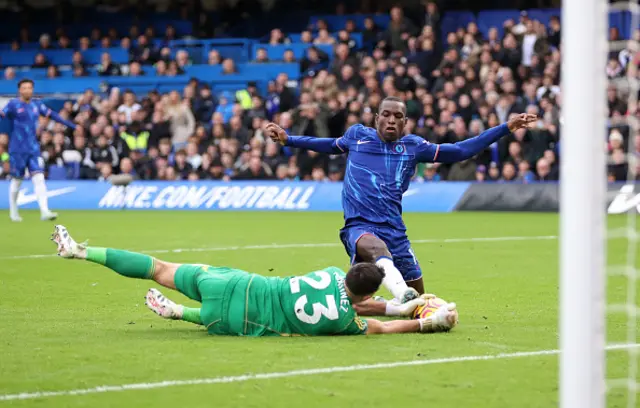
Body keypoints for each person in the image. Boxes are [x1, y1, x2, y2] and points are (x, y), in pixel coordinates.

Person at [266, 97, 536, 315]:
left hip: (395, 230)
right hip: (359, 226)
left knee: (416, 303)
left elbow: (462, 150)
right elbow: (328, 145)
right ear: (376, 118)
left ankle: (390, 307)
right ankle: (397, 296)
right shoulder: (357, 136)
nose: (391, 120)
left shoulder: (414, 147)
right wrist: (288, 139)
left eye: (398, 116)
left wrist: (506, 127)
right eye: (386, 114)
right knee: (376, 250)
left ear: (405, 122)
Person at [50, 225, 458, 337]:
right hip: (239, 320)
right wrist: (422, 321)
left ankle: (82, 252)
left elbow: (355, 298)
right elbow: (380, 324)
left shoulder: (331, 273)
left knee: (158, 267)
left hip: (231, 283)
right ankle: (179, 314)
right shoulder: (343, 323)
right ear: (366, 293)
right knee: (210, 319)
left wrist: (400, 305)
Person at [1, 79, 77, 222]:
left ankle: (44, 211)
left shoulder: (37, 105)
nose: (27, 90)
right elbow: (2, 114)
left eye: (30, 87)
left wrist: (71, 125)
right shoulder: (13, 104)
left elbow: (52, 115)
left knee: (39, 178)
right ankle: (13, 211)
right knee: (17, 180)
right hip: (17, 149)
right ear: (19, 90)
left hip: (33, 148)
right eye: (24, 88)